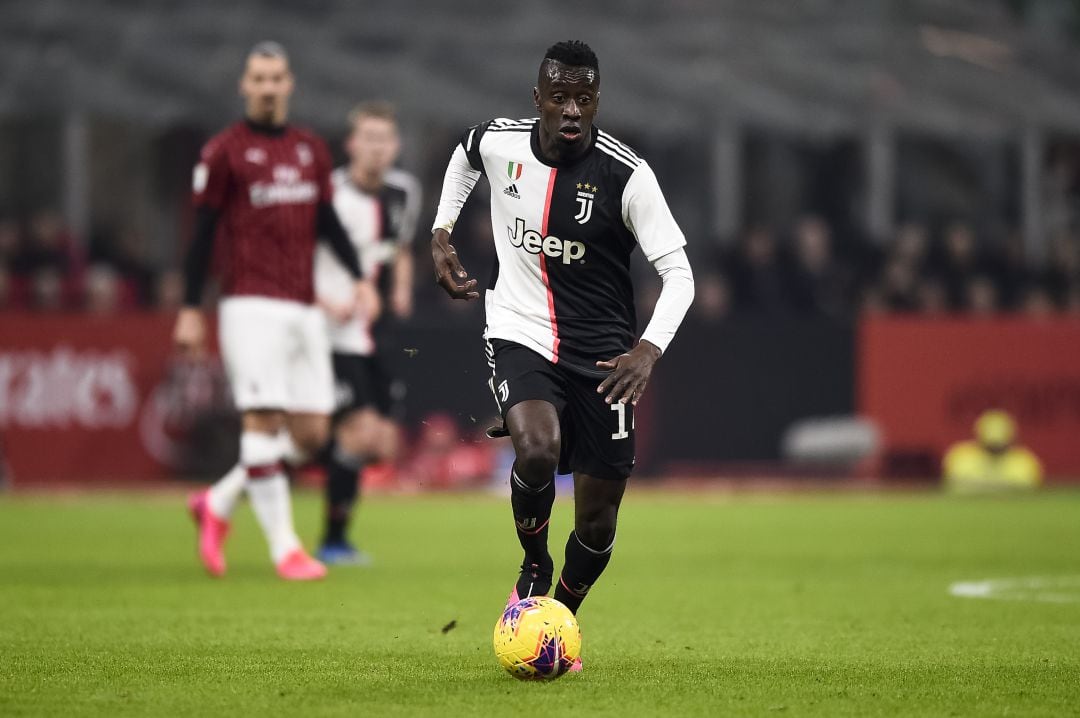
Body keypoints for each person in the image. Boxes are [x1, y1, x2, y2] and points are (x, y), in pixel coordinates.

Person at [430, 41, 694, 671]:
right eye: (560, 97)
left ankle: (559, 618)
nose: (572, 110)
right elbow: (464, 155)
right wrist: (441, 233)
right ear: (538, 99)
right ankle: (532, 563)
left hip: (604, 359)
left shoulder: (627, 175)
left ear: (596, 101)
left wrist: (647, 350)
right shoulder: (501, 142)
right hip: (518, 327)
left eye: (584, 98)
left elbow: (680, 274)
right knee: (538, 448)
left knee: (599, 522)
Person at [175, 42, 379, 580]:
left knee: (312, 434)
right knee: (262, 419)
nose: (268, 87)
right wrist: (191, 308)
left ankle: (216, 502)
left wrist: (360, 276)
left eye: (276, 78)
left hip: (303, 306)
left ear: (289, 84)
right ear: (245, 85)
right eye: (258, 78)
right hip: (249, 304)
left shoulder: (310, 149)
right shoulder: (224, 151)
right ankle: (285, 547)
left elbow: (328, 224)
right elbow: (202, 236)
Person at [314, 101, 421, 565]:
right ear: (351, 144)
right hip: (331, 330)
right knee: (357, 433)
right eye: (368, 139)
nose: (377, 149)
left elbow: (400, 248)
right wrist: (325, 300)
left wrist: (400, 288)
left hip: (379, 330)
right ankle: (331, 539)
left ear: (395, 146)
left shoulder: (404, 192)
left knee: (382, 443)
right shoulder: (329, 195)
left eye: (385, 140)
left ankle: (335, 529)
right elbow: (299, 259)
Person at [943, 410, 1043, 493]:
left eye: (999, 447)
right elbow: (955, 485)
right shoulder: (961, 456)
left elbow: (1029, 488)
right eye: (989, 447)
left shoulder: (1024, 460)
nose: (994, 450)